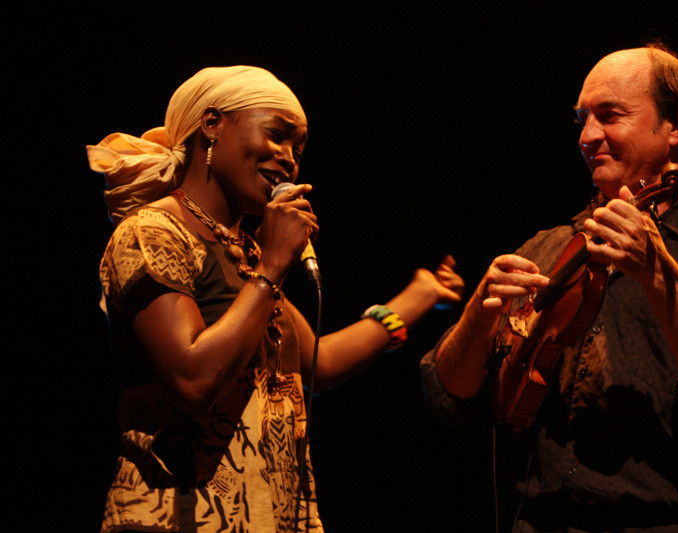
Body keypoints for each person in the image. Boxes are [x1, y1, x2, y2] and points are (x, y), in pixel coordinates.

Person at [421, 43, 678, 532]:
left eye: (610, 116)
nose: (588, 136)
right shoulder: (549, 246)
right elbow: (450, 394)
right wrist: (479, 313)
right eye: (582, 119)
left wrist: (659, 276)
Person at [87, 65, 464, 533]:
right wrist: (271, 268)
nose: (289, 159)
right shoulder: (152, 232)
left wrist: (417, 296)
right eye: (277, 136)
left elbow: (315, 364)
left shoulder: (244, 253)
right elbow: (192, 381)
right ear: (211, 125)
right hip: (181, 517)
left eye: (298, 150)